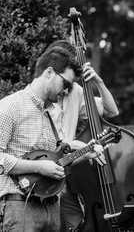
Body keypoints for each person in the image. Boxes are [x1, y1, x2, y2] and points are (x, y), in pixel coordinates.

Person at [0, 46, 103, 232]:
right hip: (20, 208)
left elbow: (56, 162)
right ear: (49, 72)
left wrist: (86, 153)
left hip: (53, 207)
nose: (67, 91)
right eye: (66, 84)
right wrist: (38, 167)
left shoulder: (53, 113)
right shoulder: (10, 107)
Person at [45, 40, 119, 232]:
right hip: (42, 173)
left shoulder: (76, 92)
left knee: (76, 226)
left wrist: (98, 82)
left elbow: (112, 111)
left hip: (67, 176)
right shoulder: (40, 92)